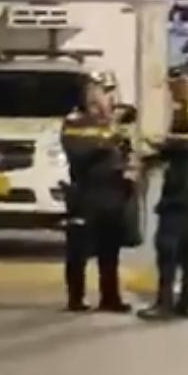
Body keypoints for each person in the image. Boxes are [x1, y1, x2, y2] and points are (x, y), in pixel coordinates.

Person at [139, 70, 188, 321]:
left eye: (178, 85)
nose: (173, 90)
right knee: (186, 246)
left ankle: (165, 302)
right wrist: (151, 158)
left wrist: (159, 146)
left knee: (167, 244)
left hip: (181, 186)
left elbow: (186, 146)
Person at [60, 78, 134, 314]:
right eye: (98, 94)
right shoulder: (75, 122)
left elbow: (125, 150)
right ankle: (76, 297)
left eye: (105, 94)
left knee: (110, 250)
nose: (103, 99)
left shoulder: (111, 121)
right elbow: (78, 153)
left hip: (112, 192)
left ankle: (110, 297)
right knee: (78, 250)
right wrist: (106, 141)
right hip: (86, 192)